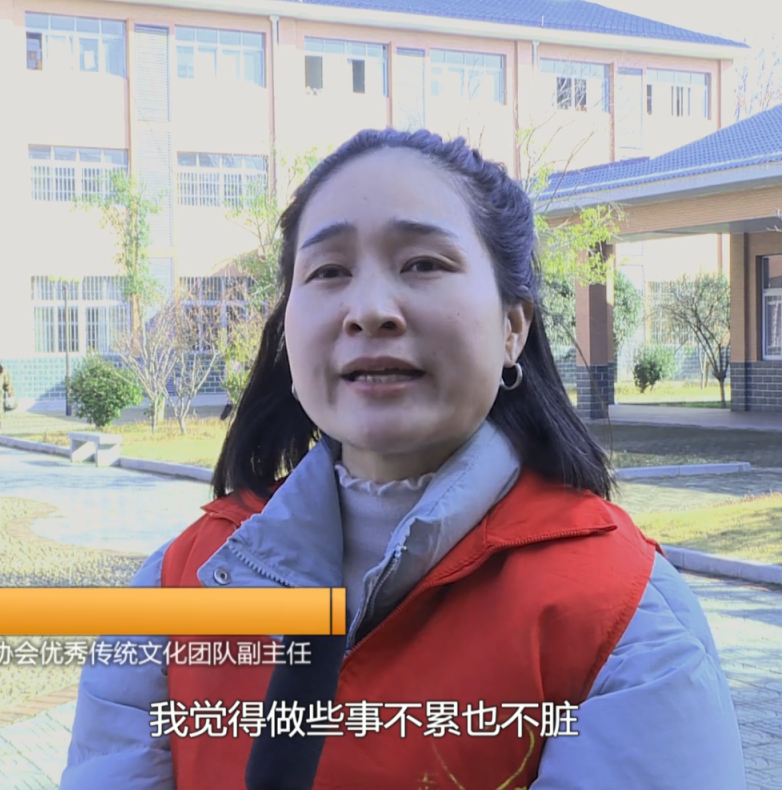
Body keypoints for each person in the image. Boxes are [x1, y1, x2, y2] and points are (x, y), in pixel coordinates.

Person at [60, 130, 747, 789]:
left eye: (422, 264)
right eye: (329, 271)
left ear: (513, 326)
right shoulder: (176, 589)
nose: (369, 310)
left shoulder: (624, 618)